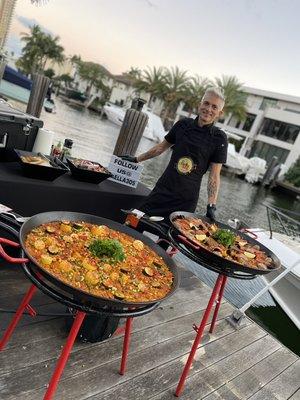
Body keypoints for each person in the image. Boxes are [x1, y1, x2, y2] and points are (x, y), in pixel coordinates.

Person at [122, 87, 228, 222]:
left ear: (219, 113)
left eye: (214, 107)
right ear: (200, 104)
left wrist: (211, 205)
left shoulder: (219, 138)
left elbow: (214, 176)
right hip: (163, 189)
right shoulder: (182, 124)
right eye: (206, 103)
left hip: (186, 200)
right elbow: (160, 148)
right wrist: (136, 159)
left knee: (168, 238)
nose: (209, 109)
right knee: (133, 222)